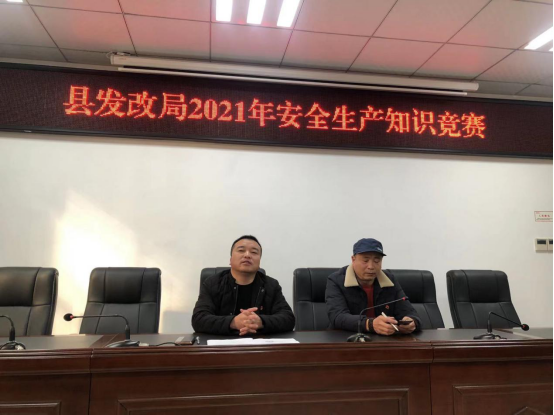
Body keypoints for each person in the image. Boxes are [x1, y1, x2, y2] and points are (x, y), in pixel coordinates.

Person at [192, 235, 295, 336]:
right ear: (230, 260)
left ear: (259, 262)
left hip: (259, 344)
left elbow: (288, 318)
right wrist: (233, 322)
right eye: (241, 250)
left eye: (254, 252)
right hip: (222, 344)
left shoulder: (271, 285)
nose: (247, 255)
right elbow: (199, 319)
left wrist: (260, 321)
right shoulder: (212, 283)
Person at [326, 238, 421, 336]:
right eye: (365, 260)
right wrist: (370, 324)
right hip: (346, 338)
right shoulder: (336, 280)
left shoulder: (390, 280)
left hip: (383, 340)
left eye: (377, 261)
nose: (371, 266)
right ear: (353, 260)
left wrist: (412, 322)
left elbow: (410, 312)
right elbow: (337, 316)